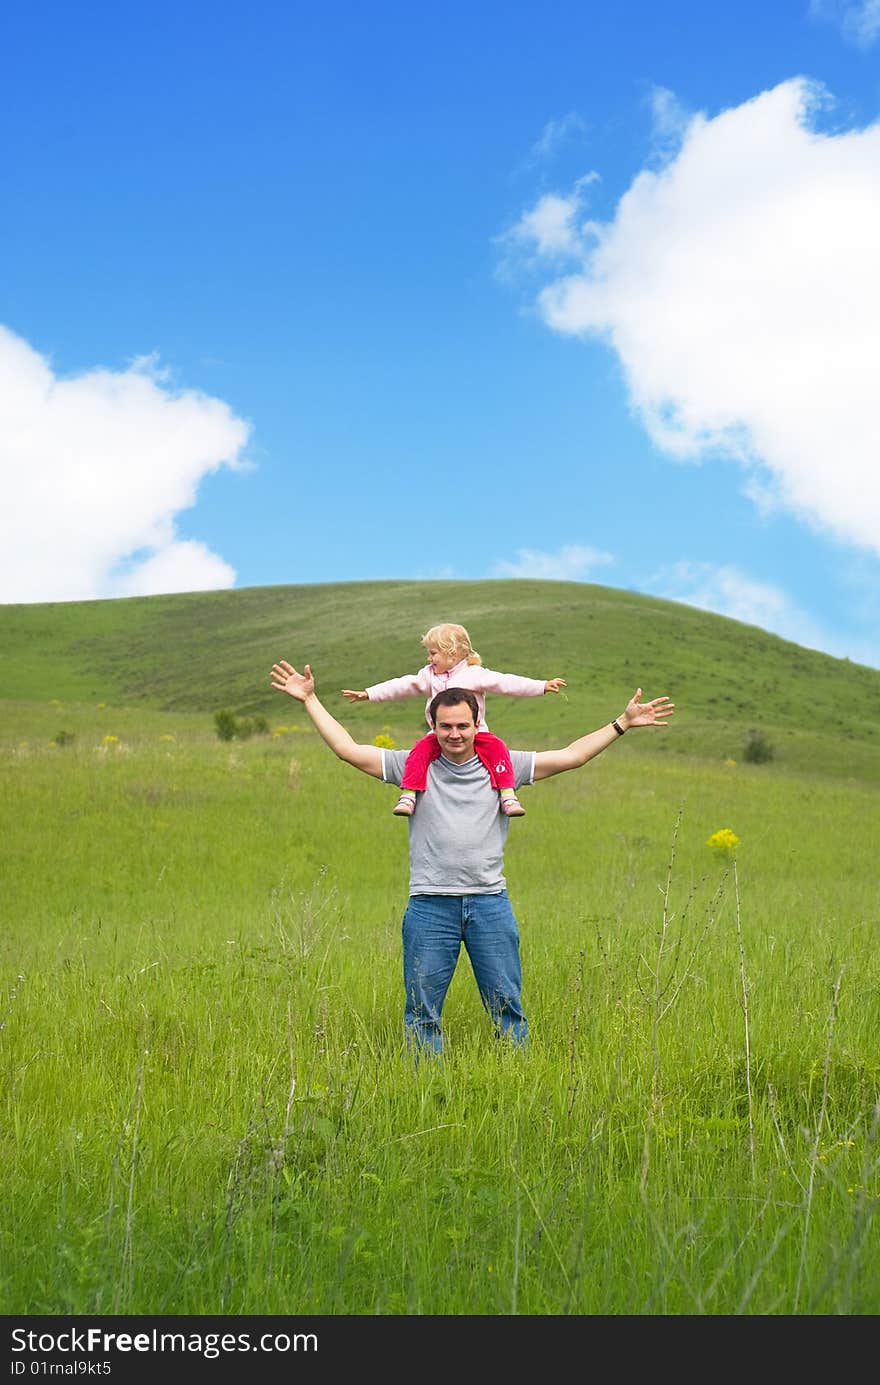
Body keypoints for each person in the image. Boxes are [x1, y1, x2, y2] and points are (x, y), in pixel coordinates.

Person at [270, 657, 674, 1056]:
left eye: (463, 725)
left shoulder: (503, 765)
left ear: (477, 724)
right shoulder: (412, 764)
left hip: (489, 904)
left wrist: (621, 724)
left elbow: (571, 755)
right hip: (429, 905)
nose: (455, 734)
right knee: (421, 1012)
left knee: (508, 1009)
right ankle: (427, 1088)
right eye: (445, 726)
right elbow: (346, 749)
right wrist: (310, 700)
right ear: (432, 726)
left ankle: (515, 1078)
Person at [341, 621, 566, 819]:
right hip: (440, 734)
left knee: (498, 749)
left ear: (453, 653)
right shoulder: (428, 675)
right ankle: (409, 794)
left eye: (433, 653)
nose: (429, 658)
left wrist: (541, 686)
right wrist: (370, 693)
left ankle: (507, 794)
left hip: (477, 732)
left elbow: (506, 683)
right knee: (419, 752)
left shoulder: (474, 674)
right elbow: (402, 685)